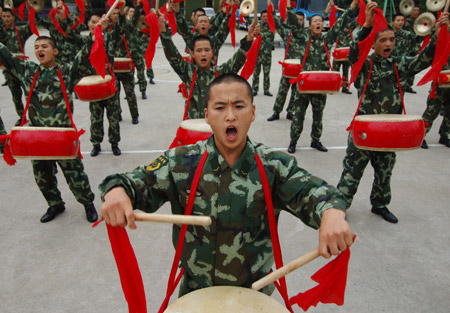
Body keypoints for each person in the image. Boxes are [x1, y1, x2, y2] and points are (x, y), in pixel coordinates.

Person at [99, 73, 354, 299]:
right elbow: (131, 181)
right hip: (196, 292)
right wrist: (117, 192)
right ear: (207, 116)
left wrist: (332, 214)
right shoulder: (180, 162)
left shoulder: (274, 166)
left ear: (252, 113)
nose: (230, 115)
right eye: (220, 107)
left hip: (255, 293)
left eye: (239, 106)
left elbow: (318, 194)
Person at [336, 2, 448, 224]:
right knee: (352, 171)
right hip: (365, 130)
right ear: (375, 44)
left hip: (390, 130)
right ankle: (340, 205)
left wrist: (438, 34)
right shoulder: (365, 65)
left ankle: (380, 204)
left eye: (391, 40)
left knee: (385, 172)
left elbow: (424, 59)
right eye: (383, 40)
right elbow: (354, 52)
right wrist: (367, 26)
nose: (388, 43)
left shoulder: (400, 64)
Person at [0, 35, 100, 223]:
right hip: (38, 137)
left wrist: (96, 35)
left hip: (62, 137)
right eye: (37, 47)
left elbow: (85, 56)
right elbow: (5, 56)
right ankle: (55, 204)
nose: (40, 50)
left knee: (75, 175)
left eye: (45, 46)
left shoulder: (66, 72)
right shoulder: (28, 71)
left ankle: (88, 203)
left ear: (55, 51)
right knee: (42, 176)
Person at [275, 0, 359, 154]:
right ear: (309, 26)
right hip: (305, 86)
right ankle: (293, 141)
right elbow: (293, 22)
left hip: (320, 86)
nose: (318, 23)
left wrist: (352, 8)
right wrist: (288, 7)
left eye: (320, 21)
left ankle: (316, 140)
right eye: (315, 21)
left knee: (318, 116)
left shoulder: (327, 40)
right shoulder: (303, 38)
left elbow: (340, 23)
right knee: (298, 115)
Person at [159, 13, 256, 119]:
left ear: (212, 52)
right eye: (199, 51)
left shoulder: (219, 73)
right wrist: (163, 31)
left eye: (207, 50)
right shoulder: (188, 71)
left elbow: (237, 61)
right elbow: (172, 54)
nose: (203, 54)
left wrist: (249, 39)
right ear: (193, 54)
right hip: (194, 129)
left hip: (216, 128)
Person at [74, 13, 122, 157]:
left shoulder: (108, 37)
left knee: (113, 117)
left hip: (108, 84)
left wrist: (105, 29)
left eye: (98, 22)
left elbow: (118, 33)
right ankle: (96, 144)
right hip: (94, 86)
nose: (96, 25)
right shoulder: (85, 41)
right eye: (93, 22)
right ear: (88, 24)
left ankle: (115, 144)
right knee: (96, 118)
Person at [268, 9, 305, 121]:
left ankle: (290, 111)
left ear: (303, 21)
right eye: (296, 19)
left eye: (300, 20)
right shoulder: (288, 34)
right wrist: (272, 11)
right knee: (282, 91)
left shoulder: (306, 35)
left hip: (300, 69)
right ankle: (276, 112)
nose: (298, 22)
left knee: (296, 92)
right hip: (288, 68)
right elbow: (278, 25)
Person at [0, 8, 32, 126]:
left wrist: (32, 10)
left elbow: (31, 26)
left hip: (21, 68)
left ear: (14, 17)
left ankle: (34, 116)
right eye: (3, 16)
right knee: (16, 95)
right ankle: (21, 116)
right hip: (8, 69)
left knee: (29, 93)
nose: (6, 19)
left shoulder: (21, 31)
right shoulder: (1, 31)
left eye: (8, 16)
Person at [421, 55, 450, 149]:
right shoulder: (446, 43)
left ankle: (444, 135)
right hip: (442, 80)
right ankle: (421, 136)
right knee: (432, 110)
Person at [390, 13, 422, 94]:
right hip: (390, 63)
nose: (400, 22)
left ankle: (407, 86)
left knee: (400, 90)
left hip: (403, 63)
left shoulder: (408, 35)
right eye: (398, 20)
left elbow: (416, 46)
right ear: (393, 22)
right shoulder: (388, 34)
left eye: (402, 20)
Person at [250, 10, 275, 97]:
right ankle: (254, 89)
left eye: (266, 16)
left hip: (267, 54)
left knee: (266, 73)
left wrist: (260, 33)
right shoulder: (257, 26)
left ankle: (266, 89)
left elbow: (269, 35)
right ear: (261, 17)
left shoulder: (271, 27)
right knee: (256, 73)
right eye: (263, 16)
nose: (265, 18)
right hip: (257, 54)